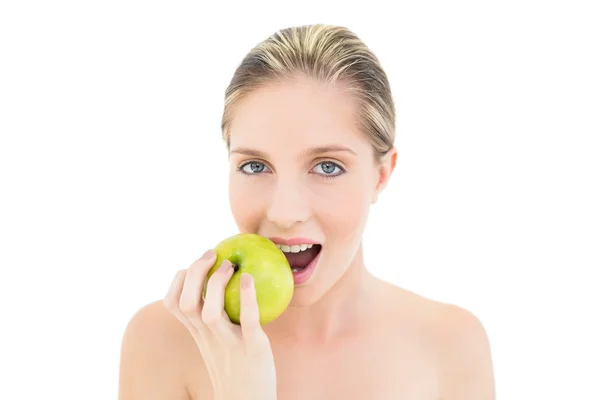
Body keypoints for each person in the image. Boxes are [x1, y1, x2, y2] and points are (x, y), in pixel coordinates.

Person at [118, 24, 496, 399]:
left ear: (381, 175)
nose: (284, 212)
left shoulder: (452, 347)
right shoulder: (162, 343)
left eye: (327, 166)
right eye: (254, 166)